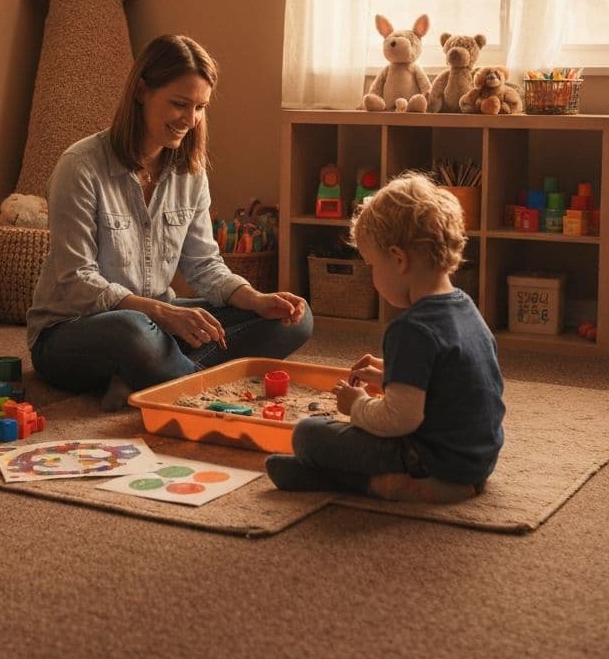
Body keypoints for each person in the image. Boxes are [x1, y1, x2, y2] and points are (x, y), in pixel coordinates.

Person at [26, 34, 313, 410]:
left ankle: (147, 378)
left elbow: (204, 265)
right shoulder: (79, 167)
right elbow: (77, 279)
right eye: (179, 104)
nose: (190, 120)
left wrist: (256, 300)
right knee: (133, 331)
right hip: (73, 331)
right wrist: (163, 313)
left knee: (294, 318)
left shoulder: (189, 173)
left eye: (199, 108)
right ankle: (194, 390)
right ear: (142, 90)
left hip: (156, 327)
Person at [265, 171, 504, 501]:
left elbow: (399, 419)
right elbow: (452, 383)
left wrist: (358, 405)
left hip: (432, 460)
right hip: (477, 458)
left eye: (372, 266)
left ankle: (384, 485)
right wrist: (394, 374)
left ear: (398, 259)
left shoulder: (411, 328)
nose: (373, 278)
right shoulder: (466, 309)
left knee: (309, 435)